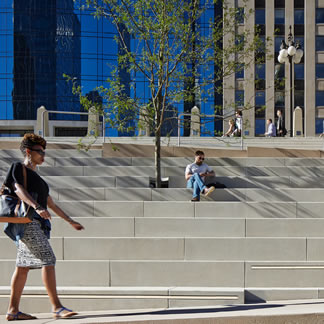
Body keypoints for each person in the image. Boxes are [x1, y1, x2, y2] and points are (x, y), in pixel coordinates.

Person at [3, 134, 84, 321]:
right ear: (29, 152)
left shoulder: (38, 179)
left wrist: (70, 221)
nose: (43, 156)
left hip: (36, 225)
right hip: (28, 223)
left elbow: (52, 204)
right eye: (40, 152)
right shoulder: (18, 168)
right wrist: (37, 207)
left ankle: (13, 311)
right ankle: (56, 307)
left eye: (44, 152)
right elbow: (18, 189)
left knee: (22, 267)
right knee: (48, 258)